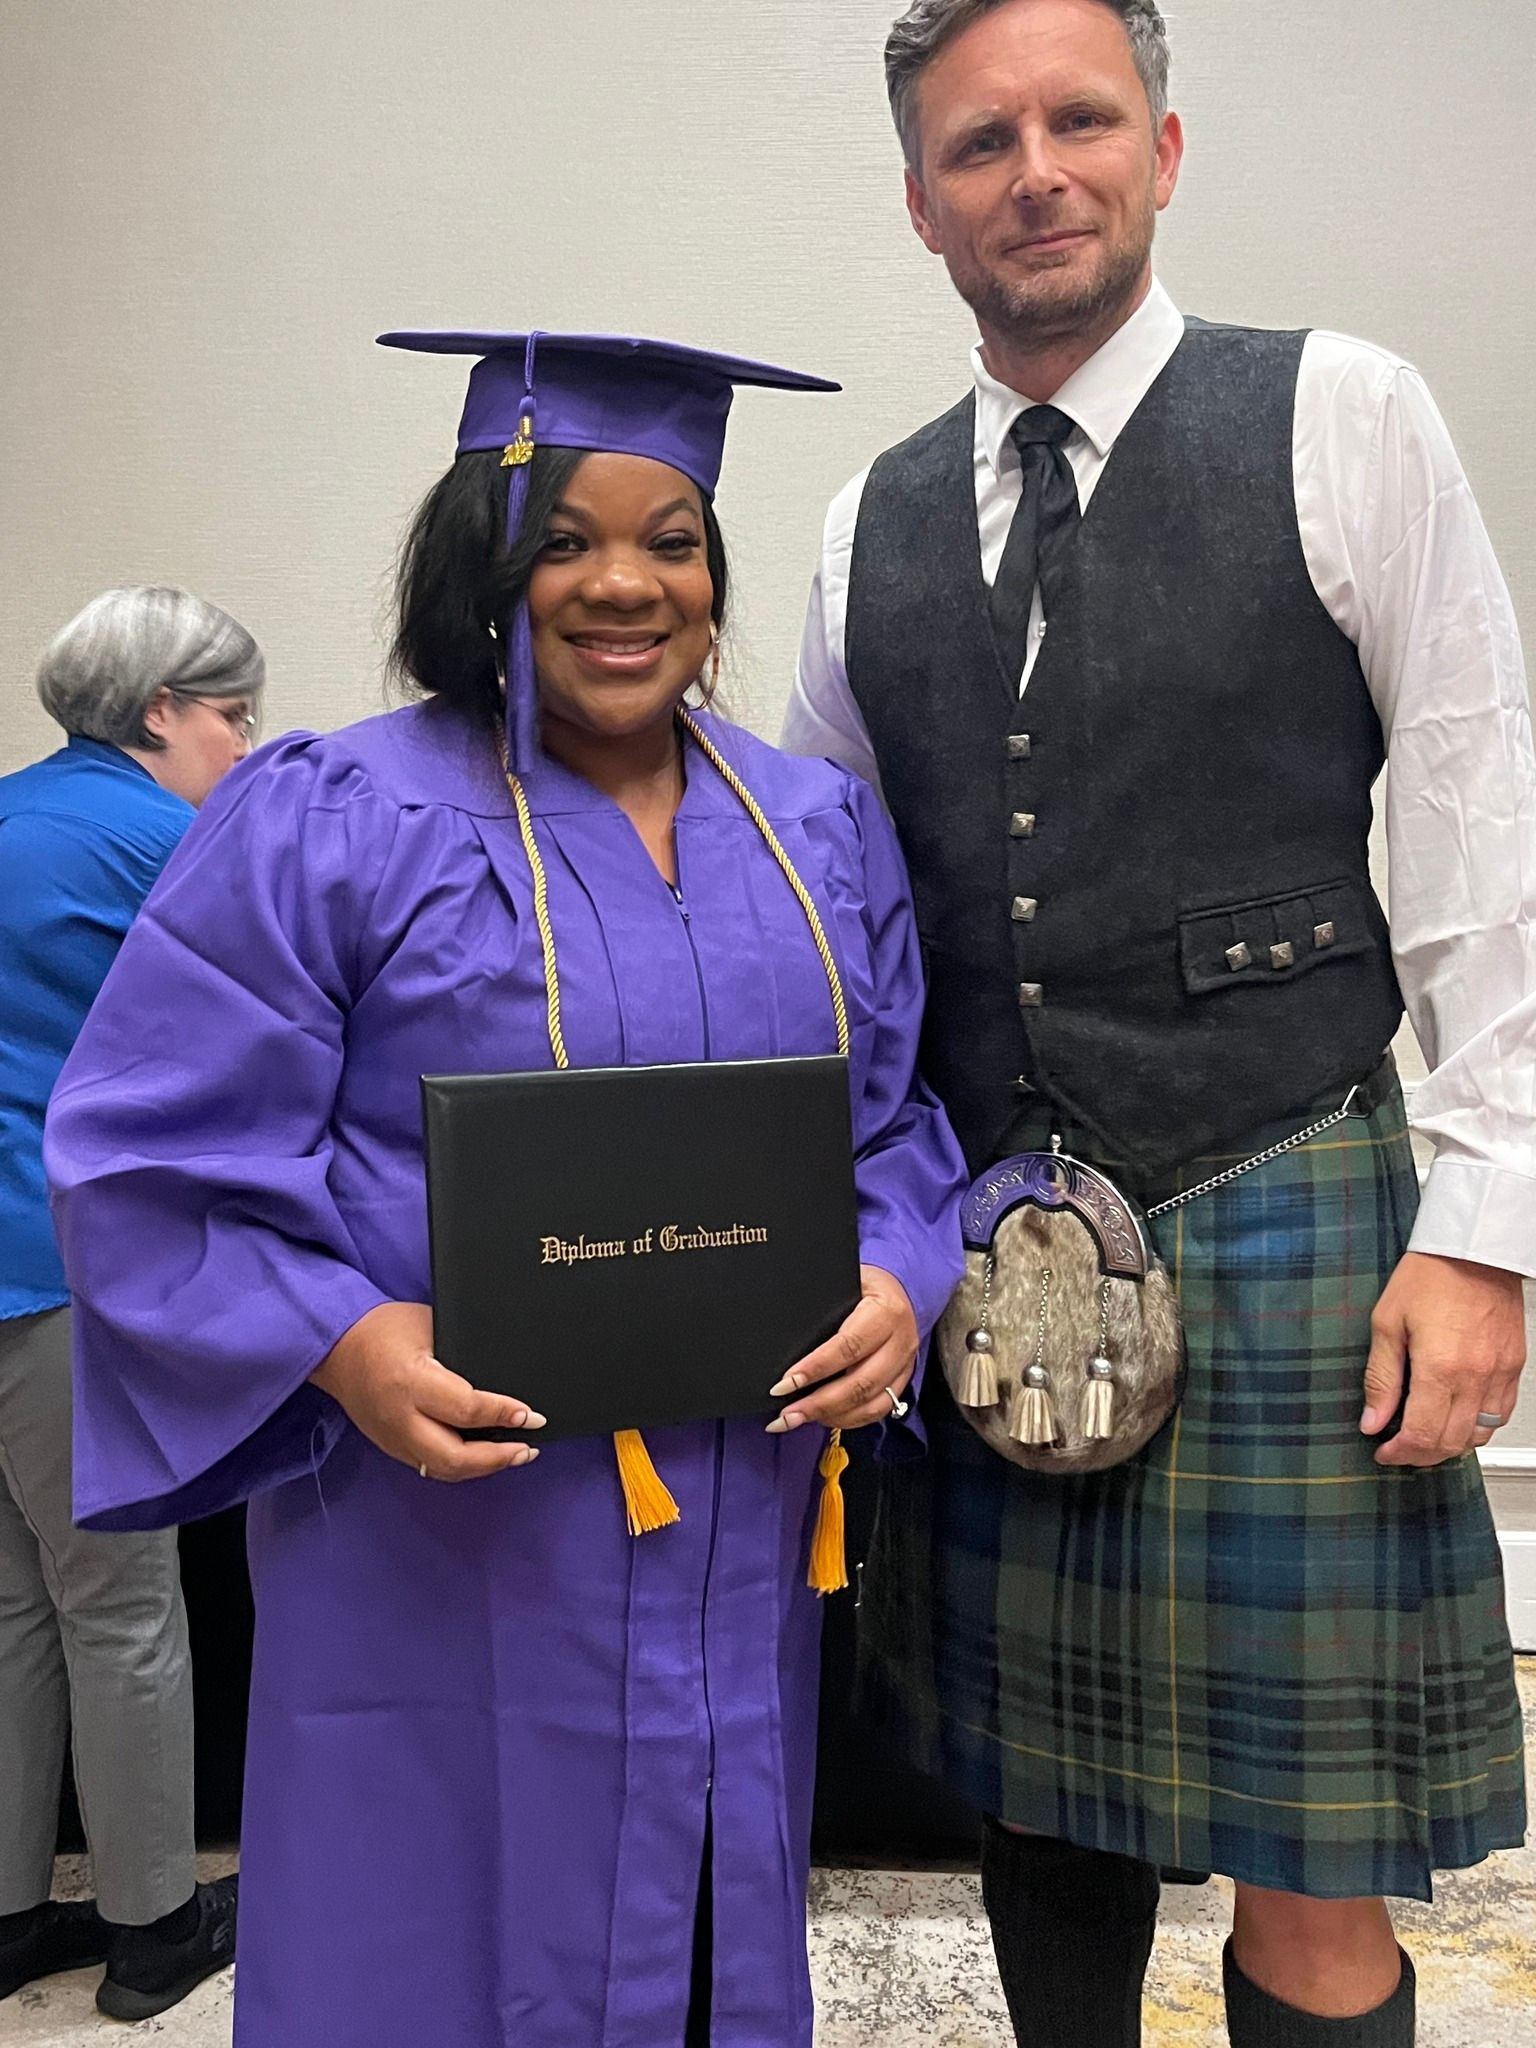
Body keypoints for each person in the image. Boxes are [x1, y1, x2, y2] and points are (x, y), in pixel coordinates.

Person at [45, 332, 968, 2048]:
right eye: (565, 537)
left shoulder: (814, 832)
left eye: (673, 538)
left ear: (714, 572)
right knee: (427, 1954)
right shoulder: (335, 815)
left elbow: (898, 1124)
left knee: (700, 1948)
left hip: (733, 1536)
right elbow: (150, 1144)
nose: (625, 584)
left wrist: (905, 1275)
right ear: (485, 560)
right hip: (442, 1540)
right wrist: (340, 1338)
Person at [784, 3, 1532, 2044]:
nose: (1034, 168)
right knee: (1038, 1810)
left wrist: (1486, 1226)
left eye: (1079, 119)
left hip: (1290, 1194)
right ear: (920, 201)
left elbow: (1482, 821)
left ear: (1167, 150)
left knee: (1311, 1868)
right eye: (977, 142)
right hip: (984, 1260)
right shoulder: (869, 527)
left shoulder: (1346, 414)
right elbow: (827, 916)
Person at [0, 586, 261, 2018]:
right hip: (57, 1277)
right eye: (231, 715)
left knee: (8, 1607)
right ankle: (157, 1922)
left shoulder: (9, 813)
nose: (243, 747)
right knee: (121, 1606)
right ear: (160, 708)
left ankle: (8, 1914)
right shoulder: (164, 837)